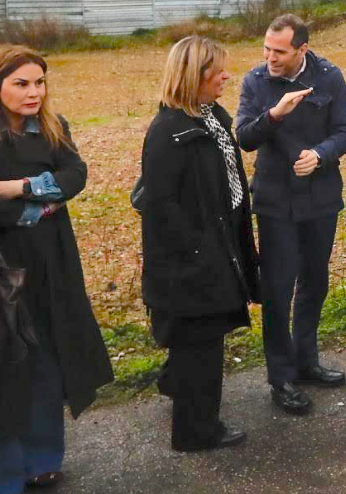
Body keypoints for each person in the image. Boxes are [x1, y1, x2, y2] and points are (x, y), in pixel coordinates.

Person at [0, 45, 112, 493]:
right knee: (2, 373)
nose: (33, 92)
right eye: (21, 83)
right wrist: (42, 206)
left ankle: (42, 461)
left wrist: (21, 187)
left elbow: (76, 175)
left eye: (39, 82)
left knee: (48, 361)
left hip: (53, 265)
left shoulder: (55, 129)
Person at [138, 35, 261, 452]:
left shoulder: (212, 118)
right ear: (195, 75)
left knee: (204, 342)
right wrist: (198, 251)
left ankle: (183, 391)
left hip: (219, 247)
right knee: (201, 346)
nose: (227, 75)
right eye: (217, 69)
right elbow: (161, 205)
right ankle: (196, 431)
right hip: (193, 263)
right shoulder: (168, 130)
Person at [236, 13, 346, 416]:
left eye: (280, 51)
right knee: (277, 290)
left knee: (315, 282)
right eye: (267, 49)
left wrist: (320, 154)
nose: (270, 57)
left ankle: (307, 361)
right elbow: (244, 138)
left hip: (320, 198)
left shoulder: (329, 77)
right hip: (275, 202)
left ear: (301, 49)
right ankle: (281, 376)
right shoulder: (255, 81)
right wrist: (275, 114)